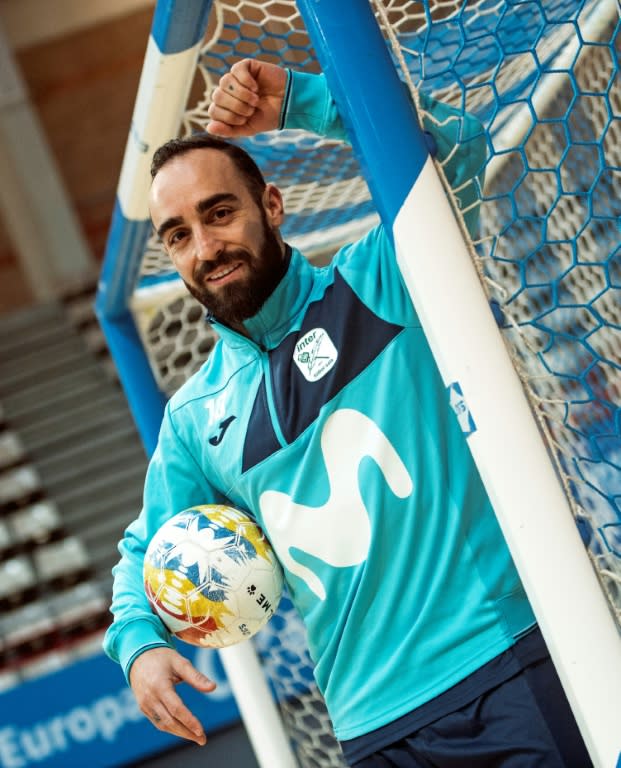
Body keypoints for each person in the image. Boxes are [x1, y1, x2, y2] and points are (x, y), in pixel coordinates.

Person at [103, 58, 592, 767]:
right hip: (372, 730)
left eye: (219, 212)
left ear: (271, 204)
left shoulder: (382, 279)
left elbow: (455, 150)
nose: (206, 248)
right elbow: (143, 550)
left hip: (505, 663)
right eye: (178, 235)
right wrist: (140, 646)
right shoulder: (193, 418)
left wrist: (304, 99)